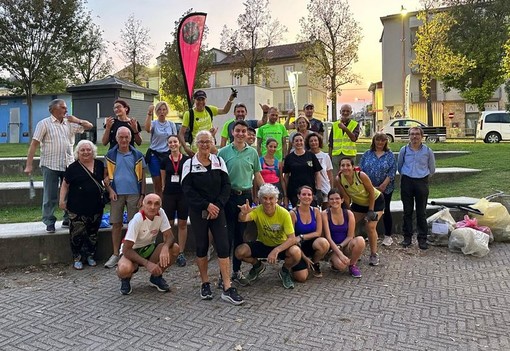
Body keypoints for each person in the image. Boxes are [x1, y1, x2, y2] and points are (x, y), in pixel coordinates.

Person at [181, 130, 244, 305]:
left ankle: (226, 286)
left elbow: (226, 186)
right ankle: (205, 282)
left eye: (208, 141)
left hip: (218, 210)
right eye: (201, 142)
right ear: (196, 144)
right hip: (199, 212)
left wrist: (217, 205)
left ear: (213, 143)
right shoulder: (189, 164)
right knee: (201, 247)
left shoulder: (219, 161)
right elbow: (187, 190)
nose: (204, 145)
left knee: (223, 246)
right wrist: (206, 205)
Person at [24, 99, 93, 233]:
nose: (66, 110)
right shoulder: (44, 124)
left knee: (70, 193)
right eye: (63, 107)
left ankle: (68, 218)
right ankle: (49, 221)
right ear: (54, 109)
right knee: (50, 195)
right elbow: (34, 144)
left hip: (68, 164)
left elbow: (89, 125)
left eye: (66, 107)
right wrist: (29, 165)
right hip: (50, 164)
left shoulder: (70, 123)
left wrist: (77, 120)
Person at [218, 120, 264, 287]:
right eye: (237, 131)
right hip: (227, 198)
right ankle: (223, 275)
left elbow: (257, 175)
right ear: (232, 132)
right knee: (226, 237)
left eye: (243, 131)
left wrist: (267, 192)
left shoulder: (252, 153)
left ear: (247, 134)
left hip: (245, 198)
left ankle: (236, 272)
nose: (240, 134)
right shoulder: (222, 153)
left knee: (240, 236)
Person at [236, 183, 301, 289]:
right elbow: (242, 219)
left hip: (281, 245)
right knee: (239, 252)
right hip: (263, 243)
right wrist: (243, 213)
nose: (268, 201)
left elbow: (292, 238)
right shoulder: (257, 210)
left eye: (271, 198)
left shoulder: (284, 213)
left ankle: (285, 271)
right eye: (264, 198)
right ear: (260, 199)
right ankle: (258, 266)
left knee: (296, 253)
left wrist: (276, 250)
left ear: (276, 199)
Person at [116, 194, 180, 295]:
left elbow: (170, 236)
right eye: (149, 203)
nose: (152, 207)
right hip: (131, 251)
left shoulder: (161, 213)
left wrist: (165, 247)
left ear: (160, 206)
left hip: (149, 249)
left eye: (156, 204)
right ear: (143, 204)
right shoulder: (137, 219)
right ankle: (125, 279)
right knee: (124, 268)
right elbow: (126, 250)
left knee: (175, 248)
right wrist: (147, 264)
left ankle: (156, 277)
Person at [103, 127, 147, 268]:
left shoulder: (137, 155)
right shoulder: (110, 155)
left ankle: (130, 253)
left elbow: (143, 177)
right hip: (116, 194)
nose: (123, 140)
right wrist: (110, 190)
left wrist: (142, 195)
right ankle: (116, 254)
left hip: (134, 194)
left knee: (133, 225)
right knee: (116, 224)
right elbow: (105, 176)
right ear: (116, 138)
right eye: (121, 137)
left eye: (126, 137)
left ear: (130, 138)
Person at [59, 140, 105, 270]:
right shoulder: (73, 168)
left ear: (93, 151)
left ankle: (90, 256)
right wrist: (62, 200)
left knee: (93, 233)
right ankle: (77, 257)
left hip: (95, 206)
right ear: (78, 152)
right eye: (82, 150)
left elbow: (105, 181)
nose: (86, 152)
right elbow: (65, 184)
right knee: (76, 234)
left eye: (88, 150)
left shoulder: (100, 165)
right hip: (76, 207)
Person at [335, 157, 384, 266]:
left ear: (353, 167)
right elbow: (346, 197)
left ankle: (373, 254)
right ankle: (353, 251)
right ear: (339, 167)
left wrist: (371, 210)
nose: (345, 168)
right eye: (343, 165)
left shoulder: (361, 175)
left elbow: (371, 192)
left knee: (370, 226)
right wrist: (348, 211)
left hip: (375, 201)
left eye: (348, 165)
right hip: (358, 204)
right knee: (349, 224)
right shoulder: (339, 179)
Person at [397, 126, 436, 250]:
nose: (415, 136)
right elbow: (399, 166)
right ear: (409, 136)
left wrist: (422, 176)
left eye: (417, 134)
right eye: (412, 134)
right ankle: (407, 237)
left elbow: (432, 168)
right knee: (407, 211)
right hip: (407, 181)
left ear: (422, 136)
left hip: (421, 182)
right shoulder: (404, 150)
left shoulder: (428, 151)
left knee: (421, 212)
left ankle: (422, 239)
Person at [359, 133, 397, 246]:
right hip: (368, 188)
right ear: (374, 141)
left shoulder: (389, 155)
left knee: (385, 210)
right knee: (368, 210)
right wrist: (369, 186)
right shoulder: (367, 154)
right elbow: (361, 170)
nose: (380, 143)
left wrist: (383, 185)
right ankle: (368, 234)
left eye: (382, 140)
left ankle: (388, 236)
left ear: (386, 142)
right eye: (377, 140)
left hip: (385, 188)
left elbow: (392, 171)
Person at [178, 89, 236, 157]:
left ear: (205, 100)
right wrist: (186, 148)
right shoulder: (189, 114)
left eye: (203, 99)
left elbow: (224, 111)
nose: (201, 102)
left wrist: (231, 99)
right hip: (197, 145)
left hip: (210, 144)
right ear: (194, 100)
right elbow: (181, 133)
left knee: (216, 160)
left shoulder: (209, 109)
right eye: (198, 100)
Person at [160, 135, 189, 267]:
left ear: (179, 144)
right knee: (169, 224)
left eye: (175, 142)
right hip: (169, 194)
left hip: (183, 195)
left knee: (182, 223)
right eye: (170, 142)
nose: (173, 144)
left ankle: (181, 252)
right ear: (168, 145)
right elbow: (163, 180)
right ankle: (170, 248)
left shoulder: (187, 160)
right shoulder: (164, 160)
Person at [322, 189, 365, 278]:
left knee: (360, 240)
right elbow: (328, 237)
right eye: (331, 199)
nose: (334, 201)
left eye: (337, 198)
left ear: (342, 200)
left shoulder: (348, 214)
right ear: (328, 201)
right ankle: (334, 262)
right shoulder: (325, 214)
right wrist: (339, 253)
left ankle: (352, 265)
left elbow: (350, 236)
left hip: (345, 245)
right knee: (341, 266)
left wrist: (340, 246)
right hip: (332, 247)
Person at [290, 186, 329, 282]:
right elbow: (292, 239)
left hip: (311, 244)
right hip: (297, 247)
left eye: (309, 195)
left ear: (312, 197)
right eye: (303, 194)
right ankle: (295, 263)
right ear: (299, 196)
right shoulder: (293, 213)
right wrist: (304, 257)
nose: (306, 197)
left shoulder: (316, 211)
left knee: (324, 243)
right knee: (301, 278)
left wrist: (301, 237)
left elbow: (318, 232)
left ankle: (314, 263)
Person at [144, 101, 177, 198]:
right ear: (156, 111)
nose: (162, 112)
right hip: (155, 154)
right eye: (159, 110)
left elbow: (175, 140)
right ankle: (158, 204)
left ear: (167, 111)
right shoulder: (154, 123)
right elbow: (147, 129)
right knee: (157, 183)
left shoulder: (171, 124)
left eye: (164, 109)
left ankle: (167, 205)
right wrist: (149, 113)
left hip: (167, 155)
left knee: (167, 182)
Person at [282, 133, 322, 208]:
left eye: (301, 140)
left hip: (310, 192)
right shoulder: (289, 158)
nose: (299, 142)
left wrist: (318, 191)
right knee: (297, 214)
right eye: (296, 141)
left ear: (304, 142)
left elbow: (317, 173)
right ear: (293, 143)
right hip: (294, 192)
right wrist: (286, 195)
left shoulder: (311, 155)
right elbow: (286, 177)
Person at [328, 104, 360, 175]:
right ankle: (336, 187)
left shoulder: (355, 124)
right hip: (336, 155)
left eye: (347, 111)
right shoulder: (335, 124)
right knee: (336, 176)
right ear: (340, 112)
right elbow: (330, 142)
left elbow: (354, 138)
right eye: (343, 111)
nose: (345, 113)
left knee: (350, 175)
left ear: (351, 112)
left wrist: (345, 128)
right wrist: (330, 157)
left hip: (350, 155)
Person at [305, 132, 334, 209]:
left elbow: (329, 173)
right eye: (311, 141)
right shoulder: (306, 156)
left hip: (325, 188)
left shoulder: (325, 156)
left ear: (319, 142)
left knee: (326, 212)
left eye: (315, 140)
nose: (314, 143)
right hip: (311, 188)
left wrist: (331, 188)